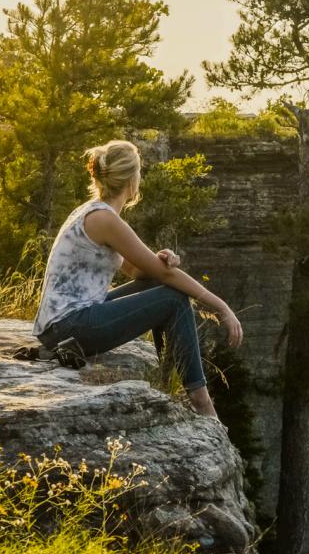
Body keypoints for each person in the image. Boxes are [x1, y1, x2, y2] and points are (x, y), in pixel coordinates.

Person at [31, 139, 243, 418]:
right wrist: (222, 308)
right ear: (132, 181)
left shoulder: (94, 212)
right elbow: (166, 276)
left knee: (161, 285)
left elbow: (140, 272)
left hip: (64, 322)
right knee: (174, 299)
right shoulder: (105, 220)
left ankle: (168, 381)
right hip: (68, 327)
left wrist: (160, 260)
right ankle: (201, 400)